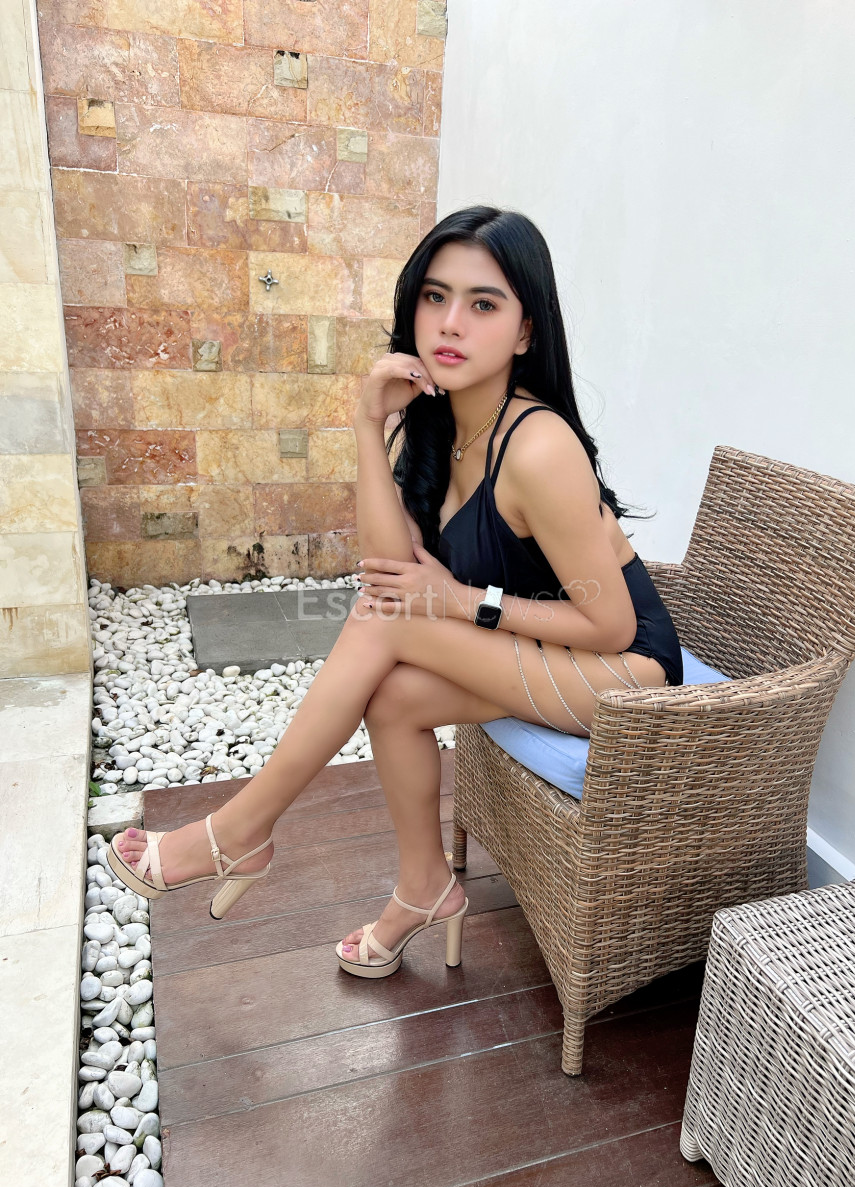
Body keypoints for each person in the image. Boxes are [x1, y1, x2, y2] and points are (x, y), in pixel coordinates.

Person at [109, 206, 682, 978]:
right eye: (434, 297)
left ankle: (239, 829)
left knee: (387, 618)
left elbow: (610, 624)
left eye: (483, 304)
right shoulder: (443, 423)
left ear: (524, 333)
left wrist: (461, 602)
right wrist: (365, 420)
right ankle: (423, 888)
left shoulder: (539, 446)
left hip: (629, 674)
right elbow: (389, 566)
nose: (450, 323)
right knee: (392, 694)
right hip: (547, 652)